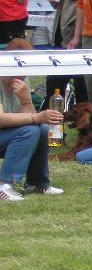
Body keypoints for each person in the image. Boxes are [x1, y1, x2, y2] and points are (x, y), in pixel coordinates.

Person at [0, 39, 64, 201]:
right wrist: (37, 117)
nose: (23, 74)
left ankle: (37, 183)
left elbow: (31, 120)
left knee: (41, 128)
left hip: (5, 135)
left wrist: (26, 101)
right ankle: (4, 184)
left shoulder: (22, 79)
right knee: (30, 129)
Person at [44, 0, 89, 110]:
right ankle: (56, 130)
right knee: (54, 87)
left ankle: (88, 131)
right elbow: (66, 1)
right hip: (61, 32)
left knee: (83, 89)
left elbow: (85, 3)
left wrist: (77, 35)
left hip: (81, 34)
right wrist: (57, 3)